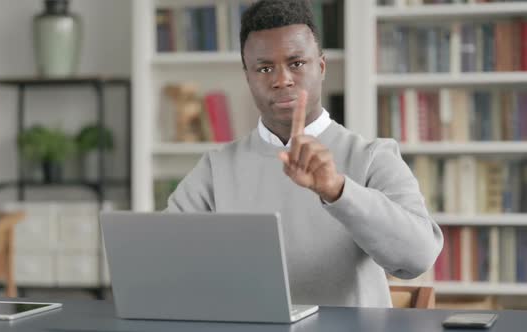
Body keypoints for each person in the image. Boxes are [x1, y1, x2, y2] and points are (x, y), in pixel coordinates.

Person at [166, 0, 443, 307]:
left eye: (296, 63)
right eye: (265, 68)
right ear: (248, 77)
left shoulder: (374, 156)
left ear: (321, 68)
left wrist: (338, 190)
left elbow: (419, 257)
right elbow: (162, 258)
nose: (281, 79)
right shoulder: (216, 168)